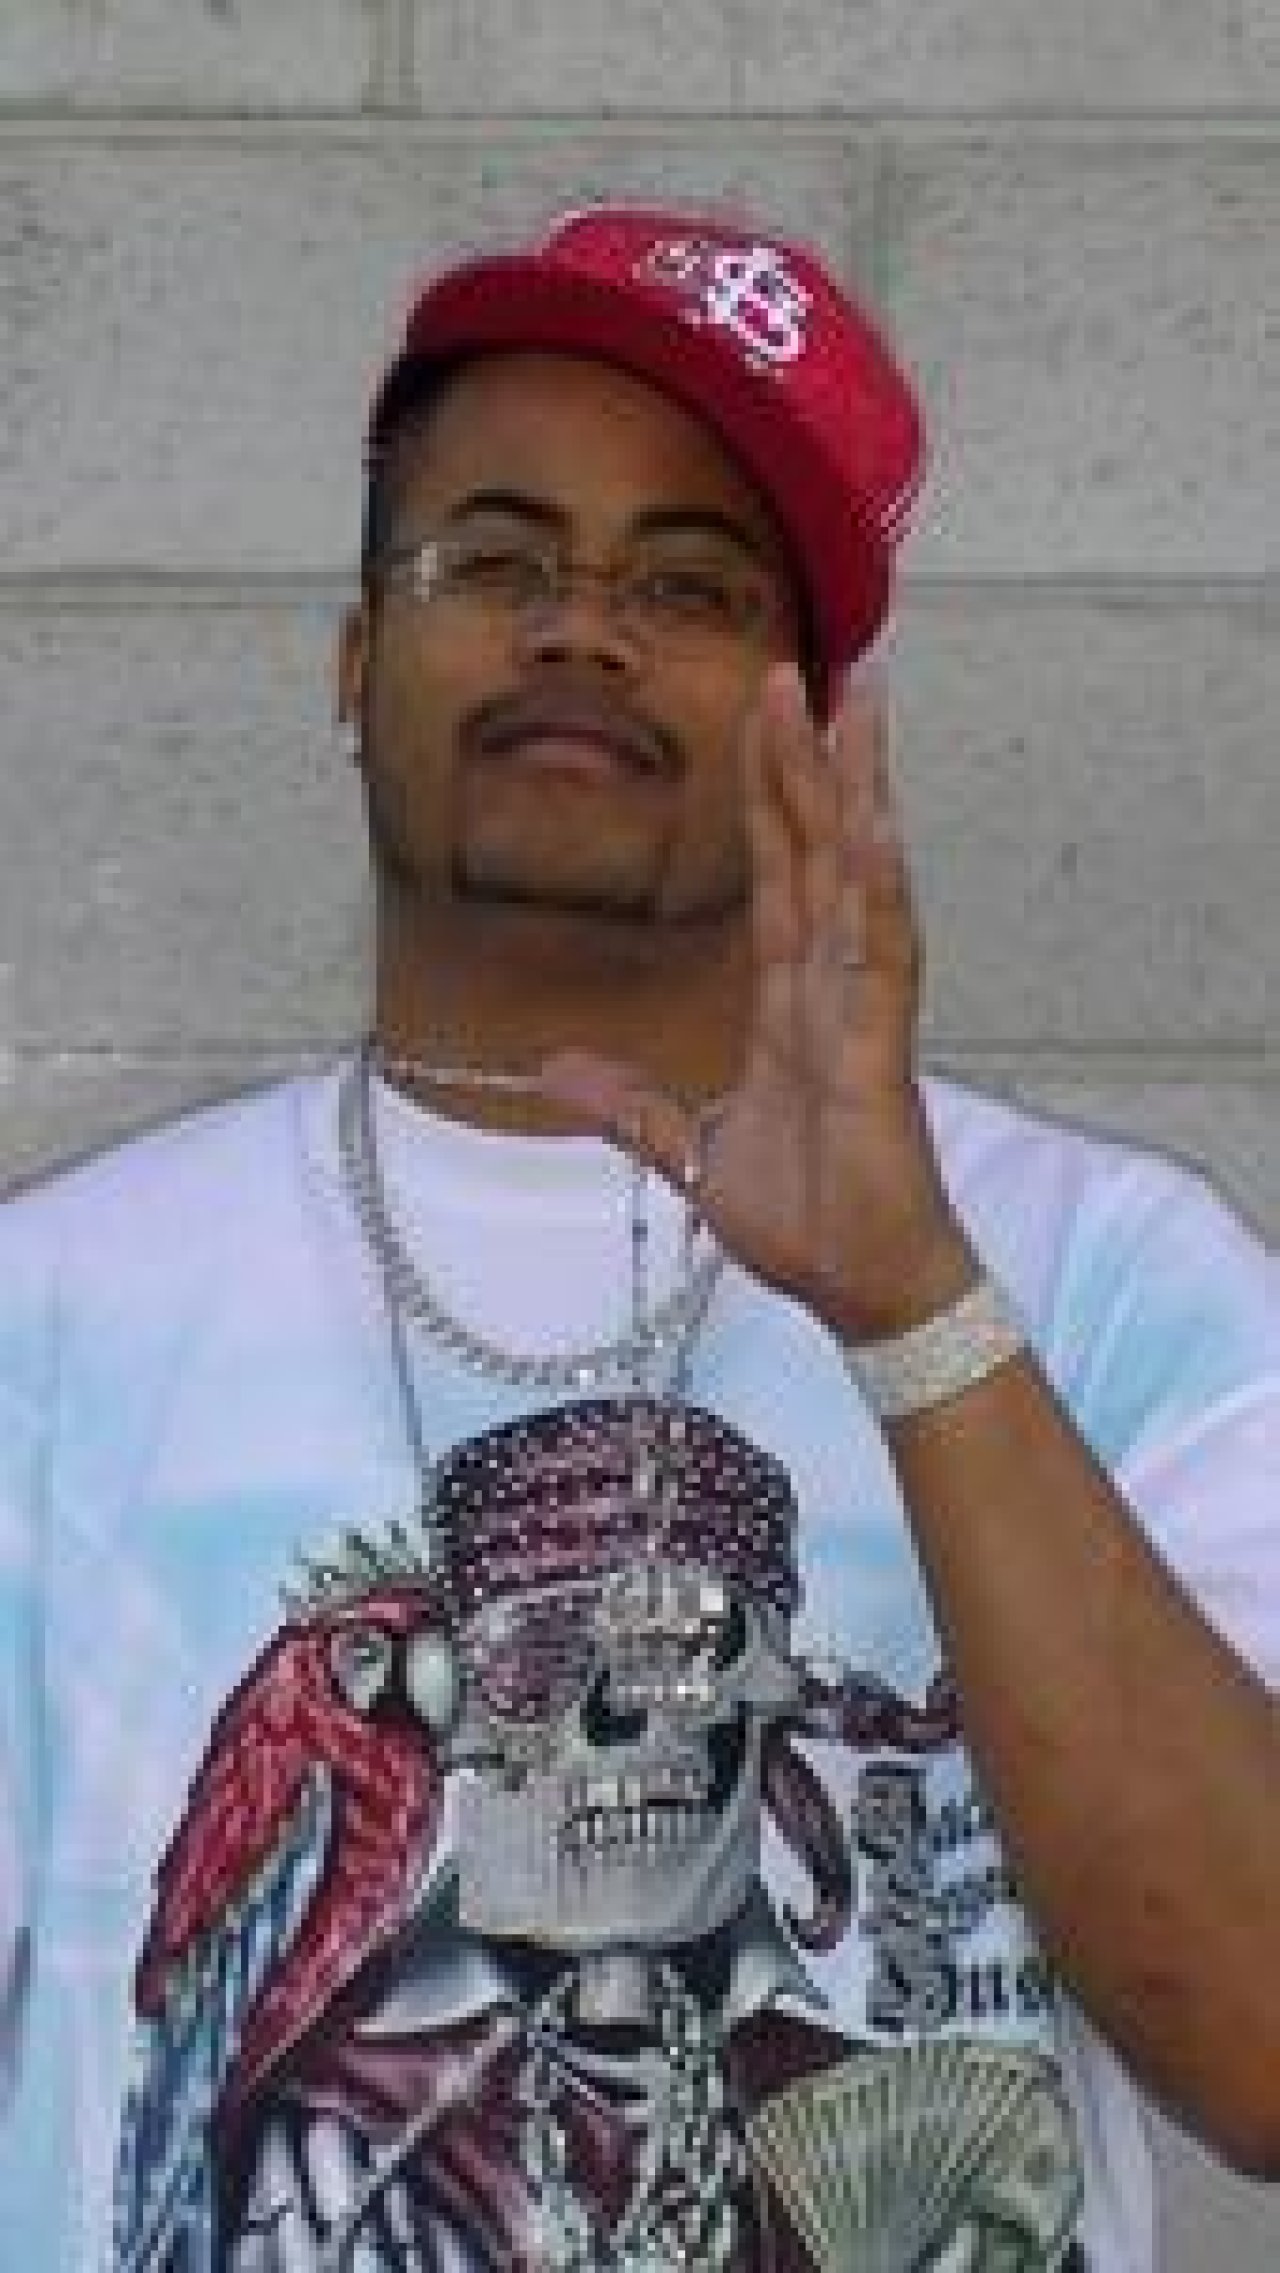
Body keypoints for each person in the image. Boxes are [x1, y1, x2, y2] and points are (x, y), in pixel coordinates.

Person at [0, 203, 1277, 2273]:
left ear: (817, 721)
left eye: (685, 584)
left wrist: (917, 1307)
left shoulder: (1118, 1287)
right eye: (495, 558)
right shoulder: (48, 1326)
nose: (579, 630)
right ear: (355, 661)